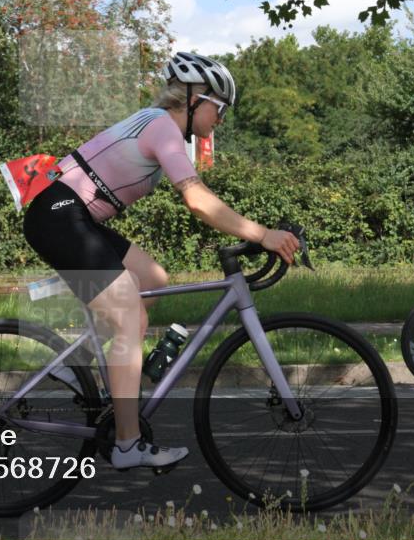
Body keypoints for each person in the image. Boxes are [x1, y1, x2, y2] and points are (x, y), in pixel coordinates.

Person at [21, 52, 299, 469]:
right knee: (131, 319)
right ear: (195, 99)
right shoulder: (162, 128)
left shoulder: (157, 124)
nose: (220, 120)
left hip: (70, 213)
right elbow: (198, 200)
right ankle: (128, 446)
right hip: (62, 214)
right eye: (219, 109)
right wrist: (263, 234)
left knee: (152, 277)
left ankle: (74, 365)